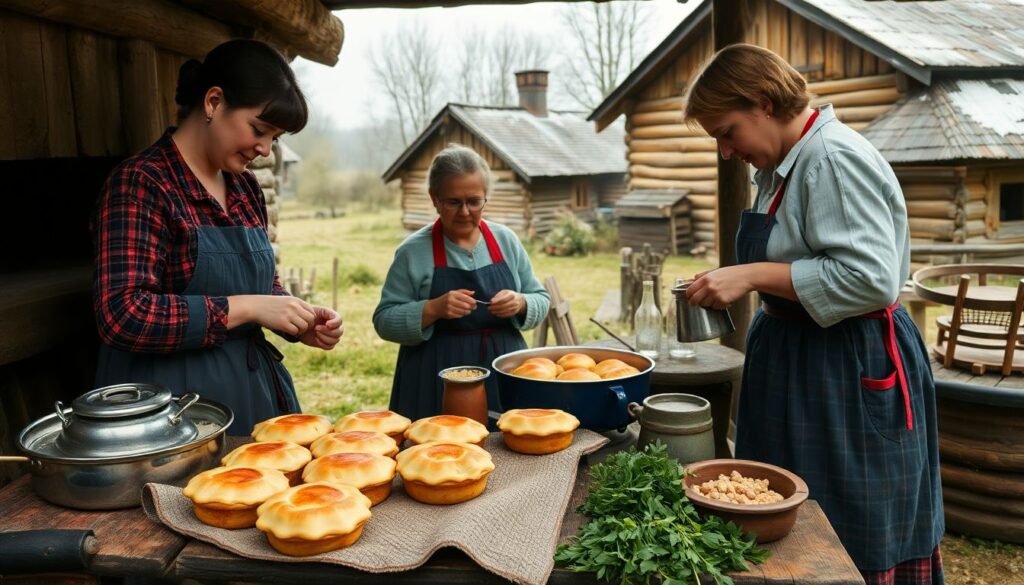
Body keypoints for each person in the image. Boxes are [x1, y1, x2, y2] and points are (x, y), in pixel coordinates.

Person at [682, 44, 943, 584]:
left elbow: (869, 279)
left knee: (848, 517)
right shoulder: (782, 164)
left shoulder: (832, 160)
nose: (726, 152)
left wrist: (750, 275)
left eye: (727, 132)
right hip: (797, 356)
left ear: (762, 103)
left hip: (846, 362)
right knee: (774, 506)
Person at [93, 39, 343, 434]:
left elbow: (259, 286)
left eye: (275, 139)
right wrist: (246, 308)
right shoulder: (143, 183)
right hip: (167, 413)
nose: (265, 150)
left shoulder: (245, 190)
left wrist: (293, 315)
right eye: (259, 130)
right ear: (213, 102)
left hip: (251, 394)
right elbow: (123, 314)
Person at [373, 145, 550, 421]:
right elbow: (384, 319)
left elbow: (540, 297)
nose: (465, 212)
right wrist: (433, 309)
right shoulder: (413, 252)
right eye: (453, 202)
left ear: (485, 197)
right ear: (435, 198)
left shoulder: (506, 240)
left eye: (474, 201)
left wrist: (521, 302)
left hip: (503, 369)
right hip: (434, 376)